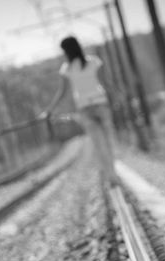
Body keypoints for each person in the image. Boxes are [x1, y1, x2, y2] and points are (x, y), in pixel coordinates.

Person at [42, 36, 118, 185]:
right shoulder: (93, 61)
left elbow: (62, 93)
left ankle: (111, 175)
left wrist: (49, 110)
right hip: (100, 103)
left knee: (98, 142)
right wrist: (116, 95)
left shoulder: (67, 69)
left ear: (66, 51)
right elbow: (105, 83)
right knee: (108, 140)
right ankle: (113, 171)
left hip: (84, 108)